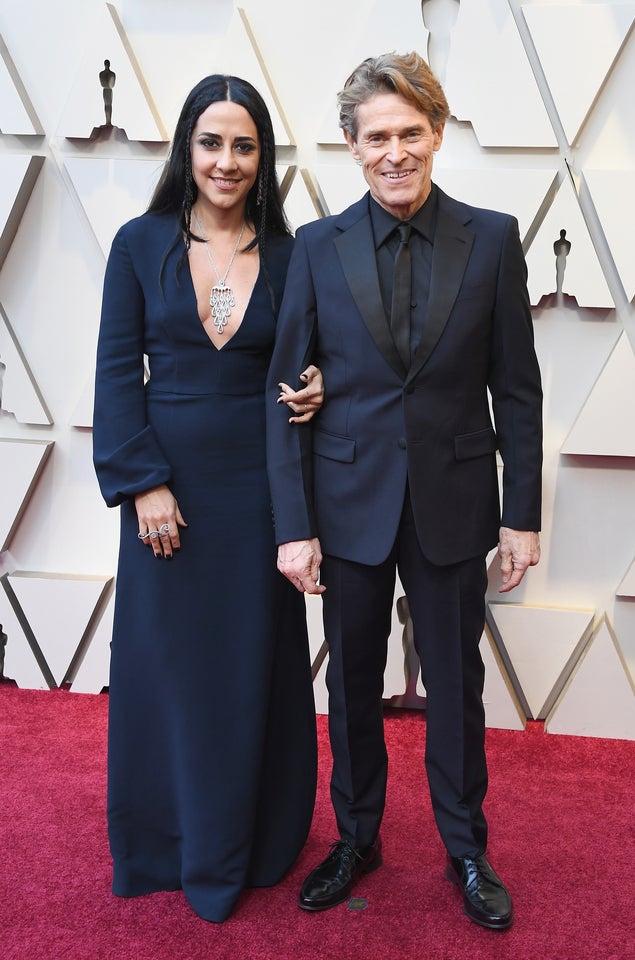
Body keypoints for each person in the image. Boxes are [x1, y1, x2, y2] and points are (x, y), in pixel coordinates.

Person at [266, 52, 543, 930]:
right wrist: (293, 526)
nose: (396, 151)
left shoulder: (493, 237)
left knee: (456, 687)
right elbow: (286, 392)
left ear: (437, 132)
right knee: (350, 683)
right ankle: (357, 838)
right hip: (347, 503)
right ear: (352, 145)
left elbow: (520, 388)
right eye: (377, 135)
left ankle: (466, 848)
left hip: (457, 501)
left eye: (411, 133)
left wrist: (523, 515)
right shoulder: (315, 246)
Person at [93, 74, 323, 923]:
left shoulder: (297, 254)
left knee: (248, 664)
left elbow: (322, 355)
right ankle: (162, 843)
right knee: (166, 664)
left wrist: (320, 382)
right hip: (167, 488)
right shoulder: (137, 242)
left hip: (261, 486)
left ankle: (251, 841)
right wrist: (143, 481)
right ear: (188, 149)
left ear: (264, 159)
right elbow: (117, 371)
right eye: (211, 142)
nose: (227, 161)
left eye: (244, 145)